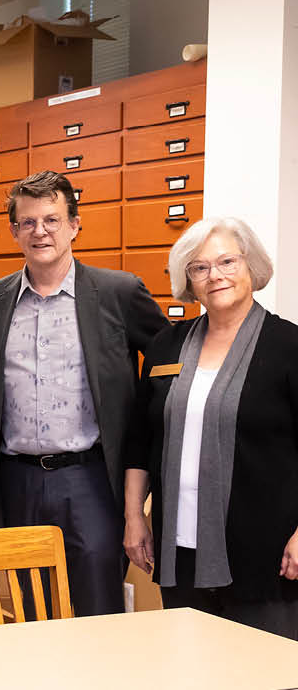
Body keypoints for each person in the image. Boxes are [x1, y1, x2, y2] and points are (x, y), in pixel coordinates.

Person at [0, 171, 166, 617]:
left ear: (75, 225)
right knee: (30, 612)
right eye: (28, 222)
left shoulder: (119, 293)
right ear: (14, 230)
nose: (40, 231)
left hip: (92, 481)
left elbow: (168, 367)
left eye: (52, 220)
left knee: (97, 610)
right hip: (17, 480)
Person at [123, 217, 298, 639]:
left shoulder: (288, 346)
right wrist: (134, 517)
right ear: (188, 279)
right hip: (179, 549)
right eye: (199, 267)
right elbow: (141, 439)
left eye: (226, 262)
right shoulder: (167, 344)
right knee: (189, 669)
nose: (214, 275)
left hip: (266, 553)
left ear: (250, 266)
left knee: (262, 674)